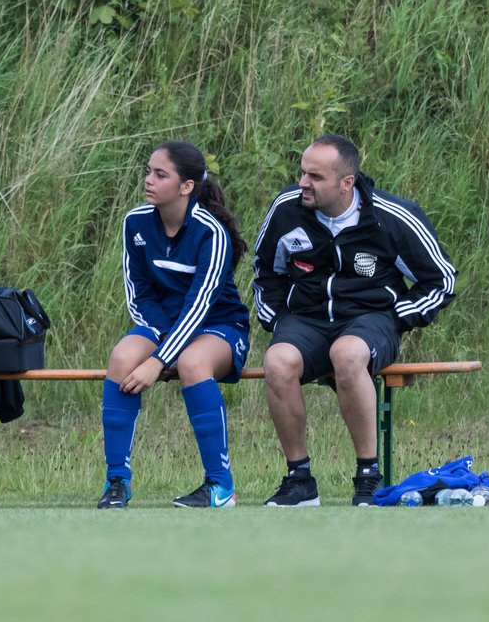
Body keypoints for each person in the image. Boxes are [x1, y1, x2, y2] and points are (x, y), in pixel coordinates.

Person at [253, 134, 458, 506]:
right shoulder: (287, 209)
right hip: (306, 320)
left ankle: (368, 477)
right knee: (277, 361)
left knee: (347, 354)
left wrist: (398, 317)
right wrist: (278, 318)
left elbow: (441, 280)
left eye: (315, 177)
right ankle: (299, 481)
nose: (303, 183)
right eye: (302, 173)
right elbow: (265, 270)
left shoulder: (392, 216)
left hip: (371, 320)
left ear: (346, 182)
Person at [98, 141, 251, 509]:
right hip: (165, 327)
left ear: (186, 187)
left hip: (219, 325)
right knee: (121, 358)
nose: (148, 180)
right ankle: (117, 481)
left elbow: (201, 305)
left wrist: (159, 359)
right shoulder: (135, 222)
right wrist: (161, 341)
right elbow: (139, 295)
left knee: (192, 363)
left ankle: (220, 486)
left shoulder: (211, 232)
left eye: (160, 174)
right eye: (148, 171)